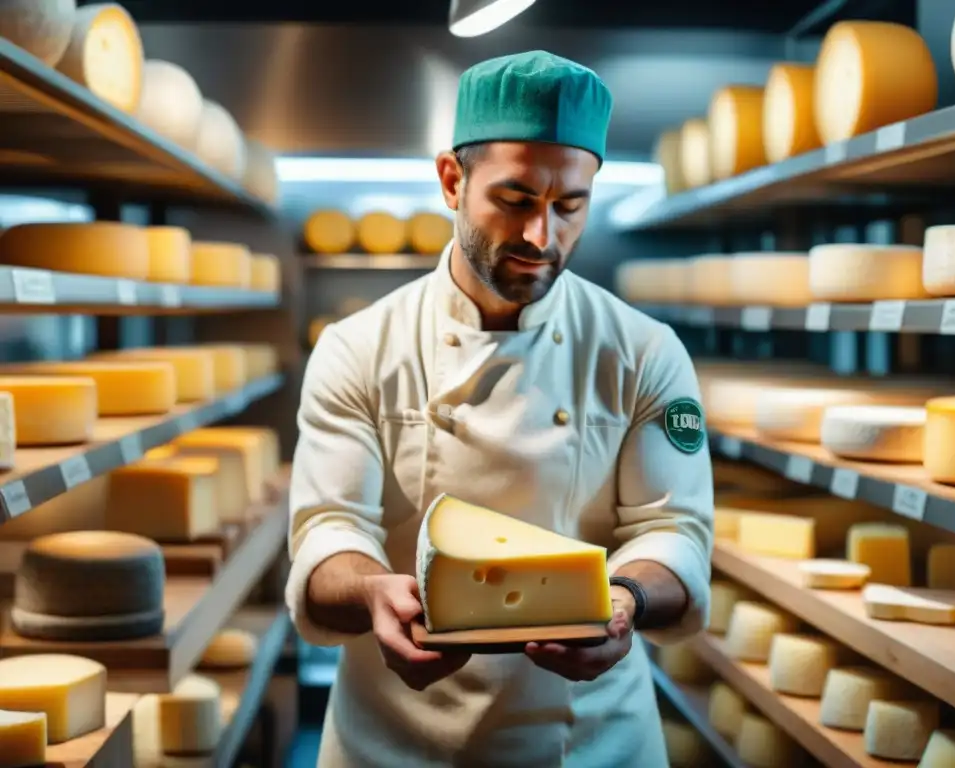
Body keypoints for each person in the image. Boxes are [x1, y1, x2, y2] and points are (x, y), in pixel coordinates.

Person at [286, 49, 713, 768]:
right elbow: (328, 529)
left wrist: (629, 599)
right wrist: (368, 593)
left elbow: (673, 529)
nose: (542, 238)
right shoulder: (357, 348)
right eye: (515, 200)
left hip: (589, 742)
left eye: (569, 207)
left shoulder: (644, 353)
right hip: (393, 741)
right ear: (452, 180)